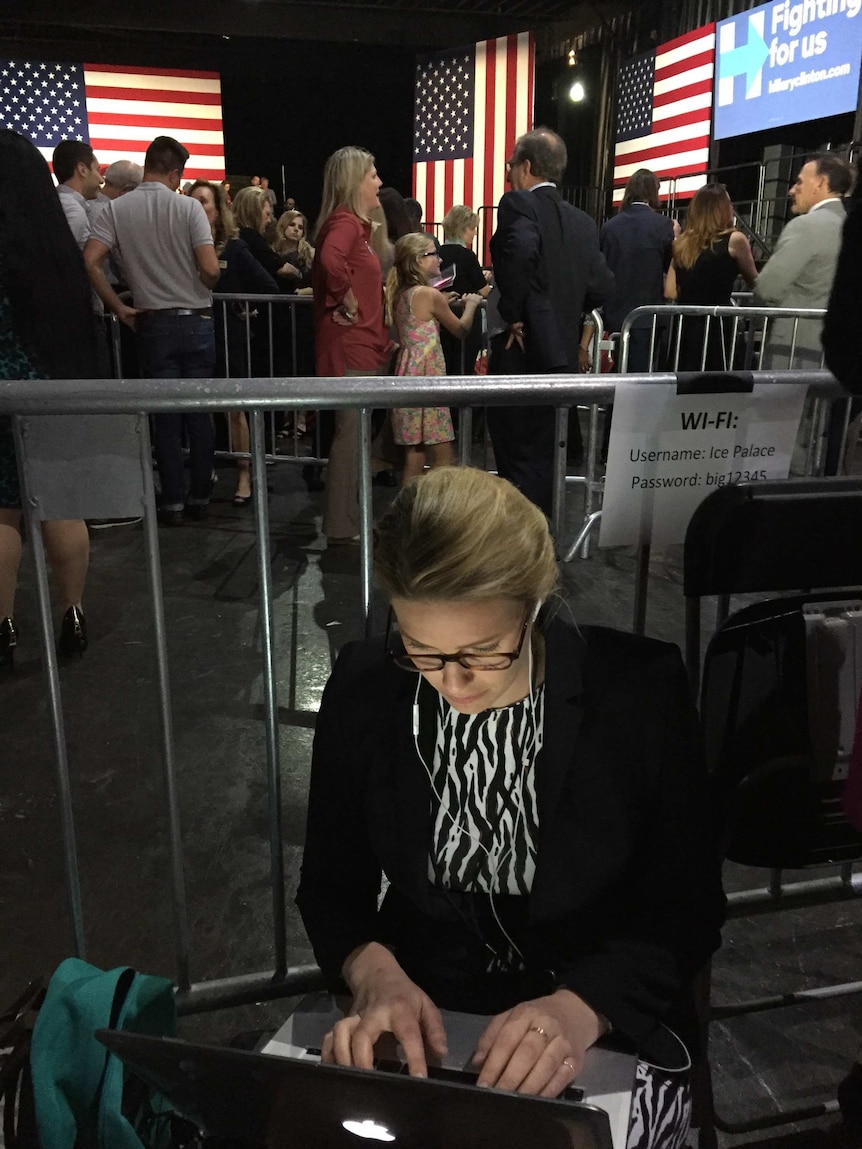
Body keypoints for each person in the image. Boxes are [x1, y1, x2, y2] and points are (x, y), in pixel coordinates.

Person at [296, 465, 724, 1149]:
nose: (454, 683)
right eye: (424, 652)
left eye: (483, 652)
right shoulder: (366, 685)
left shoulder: (637, 694)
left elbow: (687, 904)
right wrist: (375, 975)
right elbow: (330, 885)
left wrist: (583, 1006)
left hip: (602, 1006)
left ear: (534, 609)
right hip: (429, 1010)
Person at [83, 135, 220, 526]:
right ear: (176, 172)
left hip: (151, 322)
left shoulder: (117, 209)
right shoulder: (188, 207)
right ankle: (200, 497)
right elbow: (210, 269)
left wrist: (119, 307)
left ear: (147, 165)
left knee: (165, 418)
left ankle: (172, 502)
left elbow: (91, 261)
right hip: (195, 320)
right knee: (199, 414)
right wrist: (201, 282)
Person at [0, 131, 99, 666]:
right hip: (52, 386)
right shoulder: (54, 246)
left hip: (1, 390)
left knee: (3, 512)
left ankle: (3, 626)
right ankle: (73, 613)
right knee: (60, 504)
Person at [489, 128, 614, 516]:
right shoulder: (583, 223)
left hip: (520, 350)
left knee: (514, 455)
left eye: (511, 165)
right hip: (558, 352)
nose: (509, 173)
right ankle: (539, 543)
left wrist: (512, 312)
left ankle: (518, 550)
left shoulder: (519, 204)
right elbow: (602, 287)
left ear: (525, 166)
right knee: (544, 455)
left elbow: (522, 249)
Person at [311, 146, 393, 545]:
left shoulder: (354, 226)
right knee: (350, 439)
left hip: (360, 346)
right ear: (354, 181)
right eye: (373, 174)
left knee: (355, 438)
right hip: (350, 349)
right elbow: (329, 260)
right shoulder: (344, 223)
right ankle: (343, 526)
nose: (379, 181)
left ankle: (352, 520)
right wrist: (345, 296)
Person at [189, 179, 278, 507]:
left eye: (205, 202)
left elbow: (268, 286)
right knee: (201, 408)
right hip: (195, 334)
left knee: (235, 409)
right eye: (193, 201)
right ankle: (205, 469)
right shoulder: (184, 245)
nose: (199, 208)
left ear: (218, 208)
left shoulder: (235, 247)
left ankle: (244, 474)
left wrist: (244, 306)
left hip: (229, 336)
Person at [384, 234, 482, 484]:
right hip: (427, 377)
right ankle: (435, 514)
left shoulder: (403, 292)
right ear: (418, 260)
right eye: (432, 254)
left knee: (415, 456)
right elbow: (460, 330)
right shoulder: (430, 295)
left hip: (408, 375)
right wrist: (471, 304)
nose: (439, 258)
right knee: (443, 456)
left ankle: (408, 515)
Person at [755, 153, 851, 370]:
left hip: (793, 351)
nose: (791, 190)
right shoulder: (850, 227)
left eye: (799, 182)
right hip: (835, 356)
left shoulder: (806, 225)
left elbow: (766, 288)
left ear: (820, 183)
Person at [664, 183, 757, 371]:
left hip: (685, 327)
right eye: (729, 204)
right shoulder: (735, 239)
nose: (732, 208)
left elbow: (670, 291)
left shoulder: (681, 243)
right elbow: (756, 282)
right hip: (717, 328)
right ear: (721, 209)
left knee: (683, 383)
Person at [598, 169, 676, 372]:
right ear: (653, 192)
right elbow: (674, 266)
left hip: (616, 316)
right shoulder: (664, 226)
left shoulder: (609, 227)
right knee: (644, 379)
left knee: (621, 370)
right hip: (650, 316)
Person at [438, 205, 491, 377]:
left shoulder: (437, 253)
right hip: (465, 317)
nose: (474, 233)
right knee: (463, 369)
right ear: (462, 228)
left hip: (441, 317)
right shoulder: (467, 255)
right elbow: (483, 291)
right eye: (472, 228)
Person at [231, 186, 297, 286]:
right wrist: (300, 275)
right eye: (267, 214)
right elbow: (283, 269)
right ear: (254, 212)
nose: (269, 220)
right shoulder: (251, 237)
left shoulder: (231, 236)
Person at [273, 210, 315, 293]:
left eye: (300, 227)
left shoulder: (310, 254)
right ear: (283, 226)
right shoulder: (273, 252)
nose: (296, 229)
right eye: (292, 225)